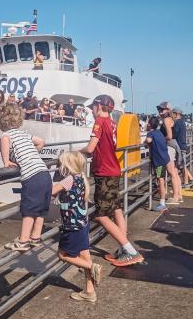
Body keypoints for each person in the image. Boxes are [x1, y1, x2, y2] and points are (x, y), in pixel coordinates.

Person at [80, 94, 144, 267]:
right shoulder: (112, 123)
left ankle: (130, 251)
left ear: (99, 106)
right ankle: (123, 250)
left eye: (93, 107)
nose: (92, 111)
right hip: (113, 170)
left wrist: (77, 153)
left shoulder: (100, 122)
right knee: (116, 209)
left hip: (104, 172)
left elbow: (91, 147)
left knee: (100, 216)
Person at [0, 103, 51, 251]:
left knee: (28, 209)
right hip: (44, 173)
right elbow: (41, 142)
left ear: (1, 121)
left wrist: (6, 160)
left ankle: (23, 241)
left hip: (32, 176)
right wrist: (32, 153)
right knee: (41, 209)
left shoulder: (6, 134)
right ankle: (35, 237)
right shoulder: (24, 134)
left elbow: (4, 142)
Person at [53, 151, 102, 302]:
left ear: (67, 165)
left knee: (62, 254)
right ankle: (90, 292)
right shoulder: (81, 177)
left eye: (60, 164)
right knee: (84, 255)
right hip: (82, 223)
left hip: (72, 227)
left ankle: (92, 266)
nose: (59, 166)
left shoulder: (68, 179)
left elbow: (50, 191)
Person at [157, 101, 183, 204]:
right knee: (175, 172)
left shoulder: (166, 120)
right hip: (173, 146)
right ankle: (178, 195)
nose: (160, 112)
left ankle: (175, 197)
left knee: (171, 172)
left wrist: (159, 139)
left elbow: (169, 136)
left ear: (167, 110)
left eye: (162, 109)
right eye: (159, 109)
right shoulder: (171, 119)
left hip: (169, 146)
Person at [146, 117, 170, 211]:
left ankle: (162, 203)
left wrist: (145, 141)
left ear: (149, 124)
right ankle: (162, 199)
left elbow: (148, 140)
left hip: (159, 161)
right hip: (164, 158)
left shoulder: (151, 133)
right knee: (160, 179)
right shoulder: (159, 132)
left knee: (160, 180)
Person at [172, 107, 193, 186]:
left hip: (180, 146)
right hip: (183, 145)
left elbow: (174, 134)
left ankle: (186, 182)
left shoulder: (177, 122)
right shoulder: (182, 122)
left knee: (182, 165)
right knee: (181, 165)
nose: (172, 115)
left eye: (173, 113)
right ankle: (190, 179)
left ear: (176, 114)